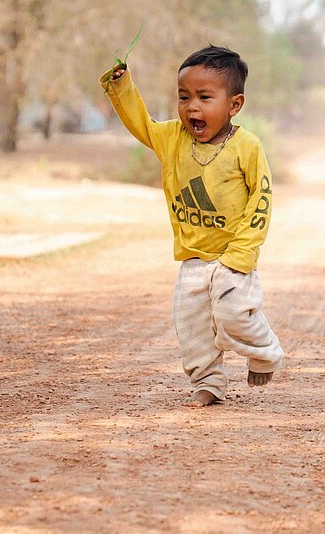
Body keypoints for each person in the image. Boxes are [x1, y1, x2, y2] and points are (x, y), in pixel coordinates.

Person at [99, 45, 284, 407]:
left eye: (204, 97)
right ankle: (208, 383)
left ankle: (264, 351)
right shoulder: (172, 139)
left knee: (234, 316)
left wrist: (242, 253)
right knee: (193, 328)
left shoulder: (246, 146)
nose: (192, 107)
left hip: (232, 256)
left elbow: (260, 201)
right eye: (183, 97)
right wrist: (121, 87)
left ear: (234, 105)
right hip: (193, 260)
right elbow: (141, 124)